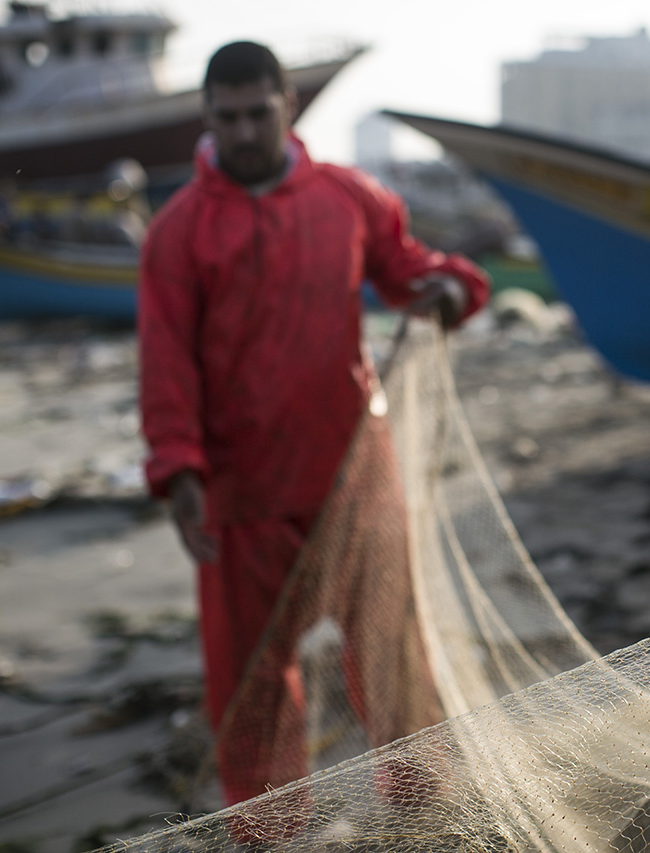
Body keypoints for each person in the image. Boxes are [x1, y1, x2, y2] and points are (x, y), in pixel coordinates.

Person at [138, 41, 489, 807]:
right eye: (226, 117)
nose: (243, 131)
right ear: (206, 116)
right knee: (251, 690)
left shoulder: (347, 197)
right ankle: (272, 832)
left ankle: (425, 810)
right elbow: (166, 362)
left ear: (287, 105)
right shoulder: (177, 231)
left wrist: (453, 289)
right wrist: (178, 471)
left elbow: (407, 270)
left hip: (354, 479)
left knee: (392, 660)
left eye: (258, 112)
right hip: (240, 497)